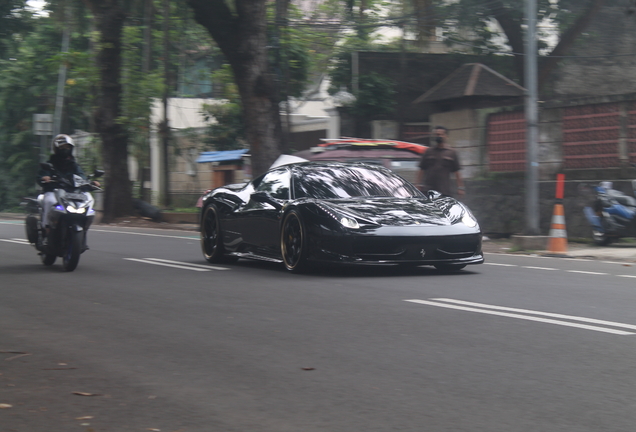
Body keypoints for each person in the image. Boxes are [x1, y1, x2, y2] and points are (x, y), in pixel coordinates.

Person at [37, 134, 100, 244]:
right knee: (49, 202)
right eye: (62, 148)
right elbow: (41, 176)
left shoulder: (74, 165)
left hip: (72, 192)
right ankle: (46, 231)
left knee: (89, 199)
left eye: (67, 147)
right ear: (56, 149)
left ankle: (84, 227)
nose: (65, 150)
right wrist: (45, 178)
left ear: (71, 149)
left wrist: (91, 183)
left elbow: (81, 177)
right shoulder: (50, 163)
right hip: (54, 191)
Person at [416, 126, 465, 198]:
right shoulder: (428, 151)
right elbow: (421, 169)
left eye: (441, 134)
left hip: (444, 190)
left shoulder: (452, 152)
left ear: (446, 136)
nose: (439, 136)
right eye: (437, 134)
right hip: (428, 190)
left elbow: (457, 172)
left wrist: (460, 187)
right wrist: (418, 184)